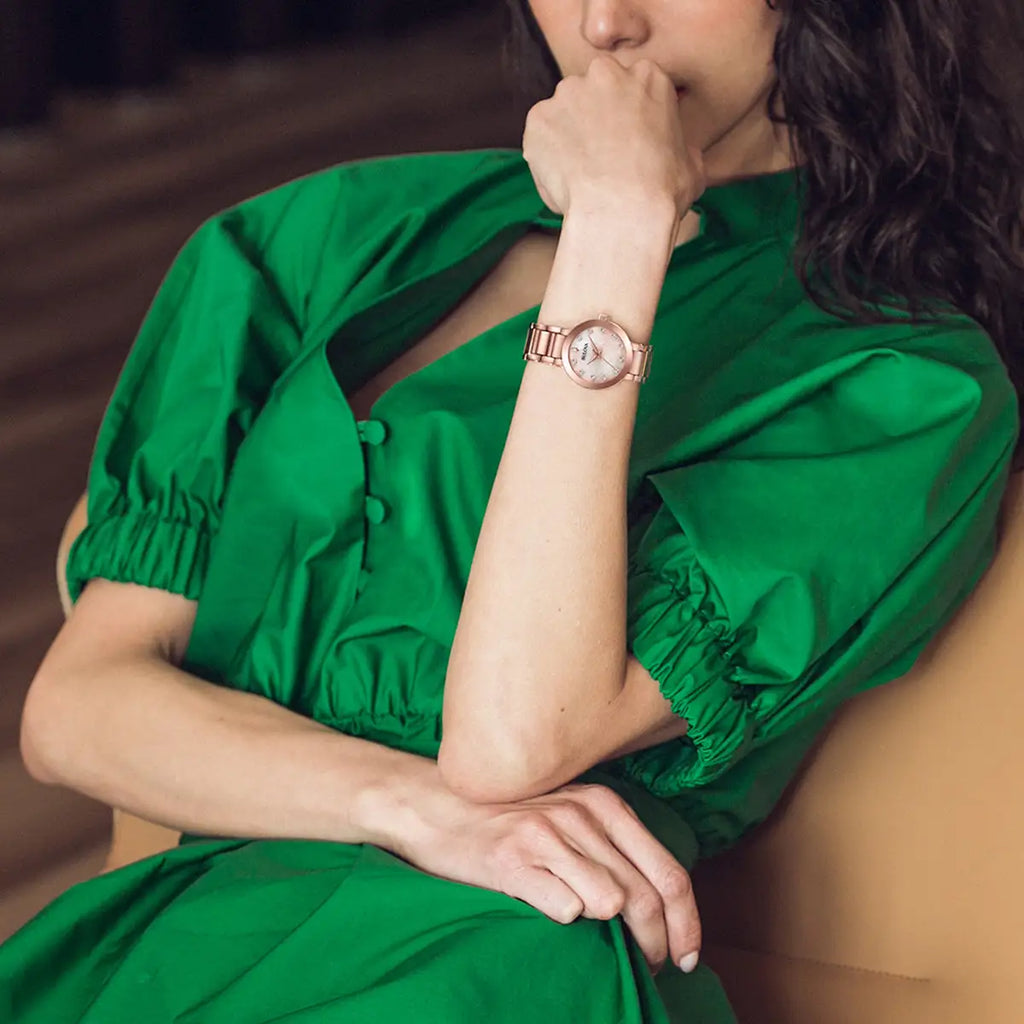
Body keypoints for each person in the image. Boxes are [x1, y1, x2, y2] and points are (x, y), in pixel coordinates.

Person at [3, 1, 1023, 1020]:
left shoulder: (905, 382)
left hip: (498, 967)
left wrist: (617, 233)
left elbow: (515, 742)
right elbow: (78, 709)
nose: (603, 21)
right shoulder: (313, 241)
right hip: (181, 941)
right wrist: (404, 807)